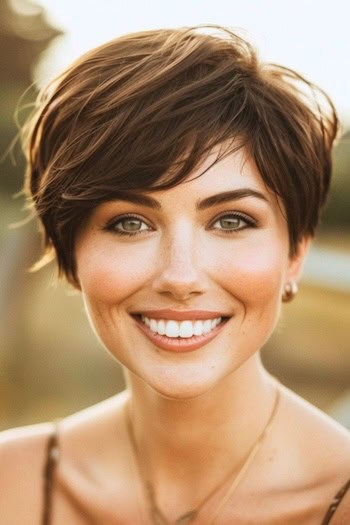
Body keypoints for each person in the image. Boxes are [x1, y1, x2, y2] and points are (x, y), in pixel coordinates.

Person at [1, 25, 349, 525]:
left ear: (294, 254)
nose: (179, 276)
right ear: (69, 252)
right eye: (129, 223)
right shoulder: (12, 485)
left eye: (231, 221)